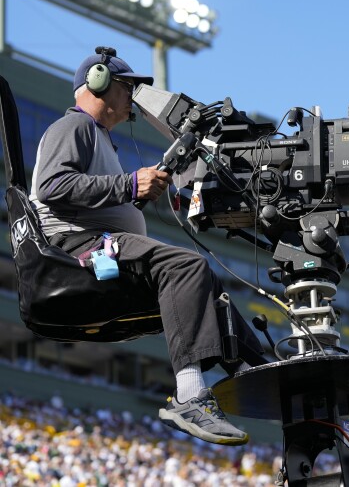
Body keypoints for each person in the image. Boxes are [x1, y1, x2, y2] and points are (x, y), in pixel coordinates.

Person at [29, 46, 264, 446]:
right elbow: (53, 186)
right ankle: (190, 396)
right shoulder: (74, 126)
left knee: (207, 284)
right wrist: (129, 184)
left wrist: (134, 193)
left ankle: (255, 371)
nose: (133, 97)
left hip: (99, 243)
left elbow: (94, 194)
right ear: (99, 82)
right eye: (128, 87)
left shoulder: (99, 138)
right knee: (185, 267)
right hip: (78, 248)